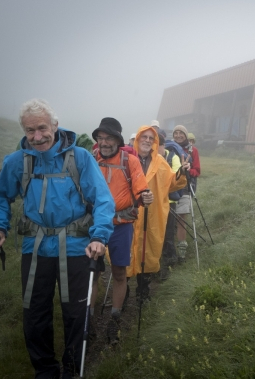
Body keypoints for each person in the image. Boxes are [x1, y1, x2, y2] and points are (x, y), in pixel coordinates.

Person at [0, 98, 115, 378]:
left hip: (78, 247)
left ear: (55, 126)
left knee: (75, 314)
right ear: (24, 130)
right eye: (30, 130)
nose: (37, 136)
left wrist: (99, 236)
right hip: (36, 248)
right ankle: (45, 371)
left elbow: (103, 200)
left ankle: (71, 370)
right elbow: (1, 197)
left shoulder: (80, 158)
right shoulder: (16, 162)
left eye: (42, 128)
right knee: (34, 315)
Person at [89, 117, 153, 345]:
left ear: (117, 139)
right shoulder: (91, 158)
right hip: (95, 225)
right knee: (92, 272)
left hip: (121, 225)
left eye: (109, 138)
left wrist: (145, 195)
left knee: (118, 272)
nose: (104, 142)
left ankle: (114, 318)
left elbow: (141, 188)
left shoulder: (130, 161)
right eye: (100, 138)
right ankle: (89, 320)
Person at [127, 125, 189, 298]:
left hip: (152, 214)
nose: (147, 141)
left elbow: (172, 184)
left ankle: (143, 291)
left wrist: (181, 172)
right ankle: (122, 292)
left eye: (151, 138)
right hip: (129, 213)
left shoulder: (160, 162)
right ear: (137, 139)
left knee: (148, 250)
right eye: (143, 137)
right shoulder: (127, 160)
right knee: (127, 249)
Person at [173, 125, 200, 262]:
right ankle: (169, 250)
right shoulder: (168, 148)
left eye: (181, 133)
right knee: (168, 221)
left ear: (185, 135)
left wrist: (188, 171)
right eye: (176, 133)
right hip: (169, 189)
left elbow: (198, 171)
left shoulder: (192, 150)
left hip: (184, 189)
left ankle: (181, 252)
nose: (178, 135)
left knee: (181, 219)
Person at [158, 129, 182, 281]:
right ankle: (154, 266)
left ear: (163, 144)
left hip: (169, 203)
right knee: (155, 235)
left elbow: (175, 178)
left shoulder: (173, 156)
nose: (157, 147)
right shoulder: (147, 159)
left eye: (159, 144)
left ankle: (168, 265)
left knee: (167, 234)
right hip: (153, 204)